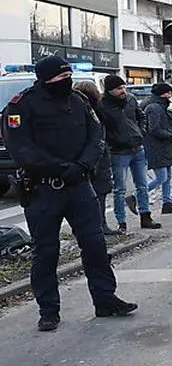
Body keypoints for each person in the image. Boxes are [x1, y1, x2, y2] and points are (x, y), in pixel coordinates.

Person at [2, 55, 137, 331]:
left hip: (79, 186)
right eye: (60, 78)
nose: (67, 82)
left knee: (96, 245)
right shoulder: (21, 106)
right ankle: (48, 310)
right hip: (44, 190)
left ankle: (105, 299)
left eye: (68, 77)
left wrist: (83, 166)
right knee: (46, 252)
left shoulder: (79, 102)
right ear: (45, 79)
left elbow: (96, 136)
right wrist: (63, 169)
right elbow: (22, 150)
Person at [97, 74, 160, 232]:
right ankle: (121, 222)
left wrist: (141, 132)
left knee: (142, 185)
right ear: (110, 90)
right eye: (119, 88)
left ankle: (146, 216)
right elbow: (102, 127)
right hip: (118, 151)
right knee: (120, 189)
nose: (123, 90)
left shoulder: (130, 99)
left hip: (137, 148)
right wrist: (112, 141)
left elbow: (141, 116)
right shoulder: (103, 105)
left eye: (123, 87)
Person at [73, 80, 119, 236]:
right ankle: (100, 225)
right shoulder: (97, 111)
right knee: (99, 194)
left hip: (81, 159)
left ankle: (90, 226)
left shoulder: (72, 109)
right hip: (97, 157)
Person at [142, 83, 172, 215]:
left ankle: (167, 203)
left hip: (164, 146)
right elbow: (154, 129)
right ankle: (136, 197)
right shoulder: (154, 107)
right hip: (156, 146)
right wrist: (171, 135)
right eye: (169, 93)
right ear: (164, 93)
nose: (171, 95)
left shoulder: (159, 105)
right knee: (161, 177)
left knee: (168, 177)